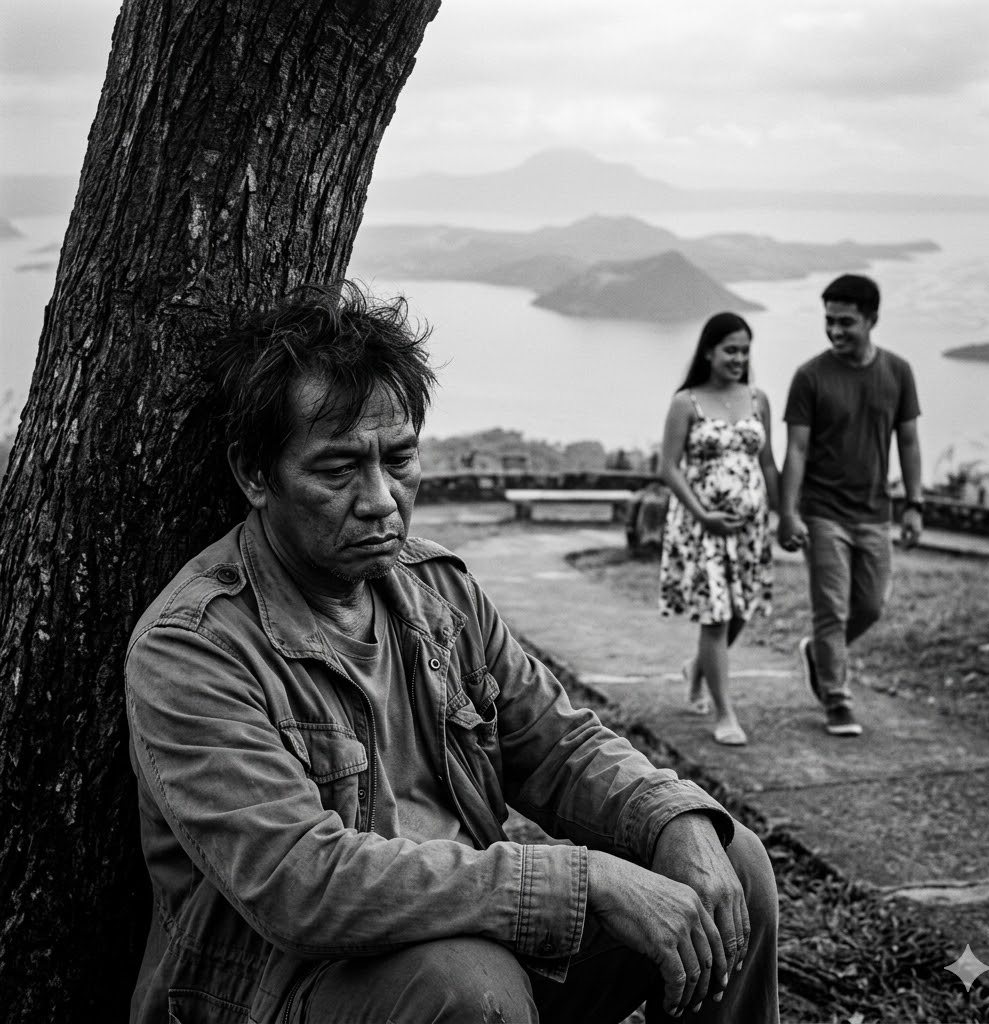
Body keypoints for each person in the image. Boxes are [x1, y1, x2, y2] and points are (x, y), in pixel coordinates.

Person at [124, 283, 779, 1024]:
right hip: (292, 989)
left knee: (733, 867)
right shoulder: (194, 649)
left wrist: (674, 821)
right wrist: (583, 879)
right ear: (254, 474)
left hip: (477, 949)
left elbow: (561, 746)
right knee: (466, 985)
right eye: (337, 471)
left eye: (400, 459)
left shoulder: (437, 593)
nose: (381, 499)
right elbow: (301, 883)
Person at [778, 273, 923, 737]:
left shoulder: (898, 372)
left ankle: (818, 653)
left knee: (872, 605)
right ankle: (837, 699)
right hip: (822, 511)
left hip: (875, 512)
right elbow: (796, 449)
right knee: (832, 610)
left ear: (871, 319)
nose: (835, 331)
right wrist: (788, 512)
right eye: (829, 321)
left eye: (846, 322)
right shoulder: (810, 376)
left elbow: (909, 441)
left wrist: (915, 503)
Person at [658, 313, 779, 747]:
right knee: (716, 617)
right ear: (709, 351)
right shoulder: (686, 402)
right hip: (703, 527)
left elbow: (768, 464)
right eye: (730, 350)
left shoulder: (758, 399)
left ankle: (698, 669)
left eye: (744, 351)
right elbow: (668, 468)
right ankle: (725, 713)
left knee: (741, 611)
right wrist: (703, 514)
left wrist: (783, 516)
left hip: (749, 529)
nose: (739, 358)